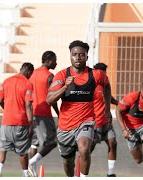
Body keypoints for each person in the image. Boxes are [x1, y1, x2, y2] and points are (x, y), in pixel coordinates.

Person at [46, 40, 112, 177]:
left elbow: (107, 86)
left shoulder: (97, 75)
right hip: (65, 126)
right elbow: (49, 100)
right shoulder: (62, 75)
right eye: (74, 54)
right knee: (68, 162)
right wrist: (65, 87)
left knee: (84, 149)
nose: (78, 57)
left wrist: (106, 109)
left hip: (86, 121)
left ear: (87, 57)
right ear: (70, 56)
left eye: (82, 54)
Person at [0, 63, 35, 177]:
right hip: (21, 123)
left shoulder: (6, 81)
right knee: (23, 152)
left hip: (5, 123)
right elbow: (28, 104)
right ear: (29, 72)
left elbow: (0, 100)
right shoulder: (28, 83)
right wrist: (31, 124)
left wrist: (8, 109)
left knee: (2, 149)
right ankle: (25, 175)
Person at [27, 50, 59, 176]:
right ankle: (32, 162)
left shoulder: (32, 73)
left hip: (31, 113)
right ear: (49, 60)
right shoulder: (49, 76)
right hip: (43, 113)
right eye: (55, 60)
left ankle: (32, 172)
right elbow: (52, 98)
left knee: (34, 143)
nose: (56, 63)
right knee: (52, 142)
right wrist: (59, 113)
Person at [115, 80, 143, 177]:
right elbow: (118, 111)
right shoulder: (132, 97)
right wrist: (124, 130)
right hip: (130, 128)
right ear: (141, 91)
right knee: (138, 160)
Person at [91, 62, 119, 177]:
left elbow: (108, 97)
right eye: (103, 73)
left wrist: (119, 103)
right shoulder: (91, 86)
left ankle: (110, 173)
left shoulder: (105, 85)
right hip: (94, 123)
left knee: (112, 143)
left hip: (106, 123)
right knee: (87, 150)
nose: (104, 76)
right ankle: (79, 172)